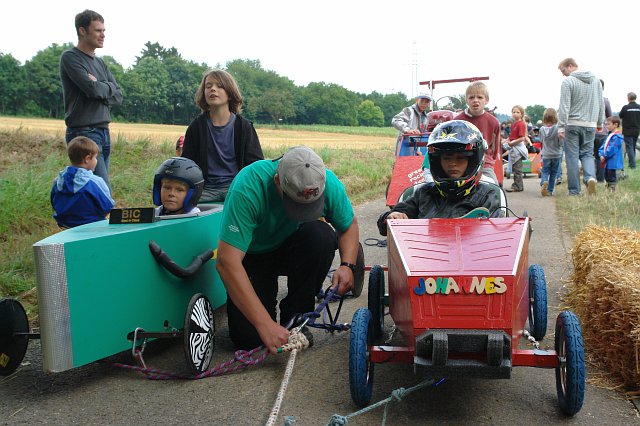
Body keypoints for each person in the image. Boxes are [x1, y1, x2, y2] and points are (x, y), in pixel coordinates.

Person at [215, 146, 360, 354]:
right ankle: (267, 313)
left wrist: (347, 265)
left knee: (321, 235)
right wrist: (264, 323)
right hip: (254, 255)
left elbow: (348, 225)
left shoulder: (326, 181)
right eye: (296, 204)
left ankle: (297, 315)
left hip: (296, 248)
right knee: (250, 340)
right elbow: (226, 262)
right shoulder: (248, 187)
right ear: (277, 181)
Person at [377, 120, 501, 236]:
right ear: (437, 161)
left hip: (470, 251)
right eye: (447, 158)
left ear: (473, 161)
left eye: (460, 158)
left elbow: (493, 236)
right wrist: (392, 216)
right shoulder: (424, 193)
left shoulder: (486, 195)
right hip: (424, 251)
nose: (453, 163)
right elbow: (384, 228)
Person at [59, 9, 123, 191]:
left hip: (103, 131)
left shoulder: (100, 63)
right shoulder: (70, 58)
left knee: (95, 190)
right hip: (84, 132)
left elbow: (118, 95)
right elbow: (92, 89)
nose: (103, 35)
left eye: (103, 31)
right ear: (82, 31)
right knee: (101, 191)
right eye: (98, 30)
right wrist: (103, 87)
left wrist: (100, 85)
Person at [182, 69, 264, 202]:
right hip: (205, 189)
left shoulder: (244, 127)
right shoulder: (196, 127)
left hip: (236, 188)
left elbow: (256, 165)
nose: (213, 89)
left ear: (230, 93)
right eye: (208, 86)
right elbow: (187, 163)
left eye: (219, 86)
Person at [557, 58, 605, 196]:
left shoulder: (568, 82)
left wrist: (561, 127)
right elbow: (600, 103)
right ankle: (590, 178)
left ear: (570, 66)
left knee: (572, 157)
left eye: (563, 70)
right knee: (587, 154)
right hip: (590, 124)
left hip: (572, 124)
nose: (563, 74)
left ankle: (574, 190)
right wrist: (599, 122)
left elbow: (564, 106)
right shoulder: (596, 80)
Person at [51, 136, 115, 228]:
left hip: (66, 226)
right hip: (92, 227)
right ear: (87, 158)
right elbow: (107, 206)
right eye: (95, 158)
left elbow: (54, 202)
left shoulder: (58, 180)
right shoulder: (95, 182)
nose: (96, 161)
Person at [454, 82, 501, 184]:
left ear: (486, 100)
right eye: (471, 97)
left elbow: (495, 148)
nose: (475, 100)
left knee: (493, 186)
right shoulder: (457, 121)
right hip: (461, 162)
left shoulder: (493, 122)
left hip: (484, 164)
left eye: (480, 97)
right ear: (466, 100)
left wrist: (490, 161)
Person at [392, 93, 433, 182]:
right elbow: (395, 120)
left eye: (426, 102)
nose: (424, 104)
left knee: (413, 173)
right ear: (417, 100)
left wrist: (418, 149)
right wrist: (408, 129)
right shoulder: (409, 111)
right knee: (401, 172)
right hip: (405, 146)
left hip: (414, 147)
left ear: (429, 104)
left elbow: (421, 136)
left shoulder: (425, 118)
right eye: (422, 101)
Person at [503, 105, 528, 192]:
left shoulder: (521, 124)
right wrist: (506, 141)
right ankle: (516, 184)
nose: (515, 114)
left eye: (517, 112)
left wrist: (511, 143)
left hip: (518, 148)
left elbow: (522, 138)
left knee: (517, 169)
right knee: (514, 168)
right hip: (513, 147)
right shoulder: (514, 124)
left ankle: (518, 186)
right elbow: (512, 136)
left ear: (521, 114)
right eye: (513, 112)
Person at [539, 108, 562, 197]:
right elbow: (560, 143)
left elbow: (541, 140)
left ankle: (544, 181)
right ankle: (549, 191)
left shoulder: (541, 129)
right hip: (556, 154)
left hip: (546, 154)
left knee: (545, 171)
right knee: (553, 173)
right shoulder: (557, 129)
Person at [593, 80, 613, 182]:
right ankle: (600, 178)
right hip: (603, 132)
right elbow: (610, 117)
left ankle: (591, 177)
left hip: (590, 132)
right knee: (601, 156)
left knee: (589, 156)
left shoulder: (589, 101)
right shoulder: (605, 101)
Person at [598, 116, 624, 191]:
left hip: (613, 161)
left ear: (615, 125)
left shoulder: (617, 137)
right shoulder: (610, 135)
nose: (606, 126)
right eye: (606, 124)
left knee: (611, 176)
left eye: (608, 124)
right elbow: (603, 145)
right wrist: (601, 154)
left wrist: (604, 156)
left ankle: (612, 189)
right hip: (607, 161)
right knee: (606, 175)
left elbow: (612, 149)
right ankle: (609, 188)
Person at [618, 92, 640, 171]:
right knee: (633, 146)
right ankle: (631, 163)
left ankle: (632, 165)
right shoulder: (639, 107)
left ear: (628, 98)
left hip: (627, 131)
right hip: (636, 130)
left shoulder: (626, 107)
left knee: (629, 147)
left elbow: (619, 116)